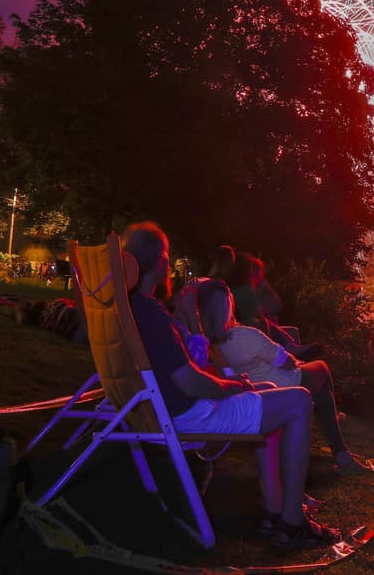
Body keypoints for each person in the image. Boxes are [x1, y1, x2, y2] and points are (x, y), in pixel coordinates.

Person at [120, 222, 340, 549]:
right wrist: (230, 387)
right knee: (298, 400)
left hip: (156, 408)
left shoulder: (131, 308)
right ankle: (294, 523)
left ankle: (273, 508)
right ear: (161, 261)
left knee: (268, 388)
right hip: (186, 414)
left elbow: (185, 370)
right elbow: (190, 382)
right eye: (167, 257)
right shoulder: (151, 312)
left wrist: (233, 381)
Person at [195, 277, 367, 476]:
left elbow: (228, 373)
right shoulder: (245, 335)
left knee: (321, 388)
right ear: (228, 304)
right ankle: (340, 449)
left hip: (252, 389)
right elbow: (285, 361)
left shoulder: (206, 341)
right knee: (322, 369)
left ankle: (335, 435)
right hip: (279, 385)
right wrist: (294, 359)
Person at [230, 252, 320, 360]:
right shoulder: (243, 291)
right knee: (275, 328)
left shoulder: (255, 288)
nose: (259, 274)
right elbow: (257, 317)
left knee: (292, 331)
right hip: (252, 332)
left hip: (261, 329)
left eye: (259, 271)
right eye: (255, 270)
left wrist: (264, 285)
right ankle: (292, 354)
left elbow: (276, 305)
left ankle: (296, 355)